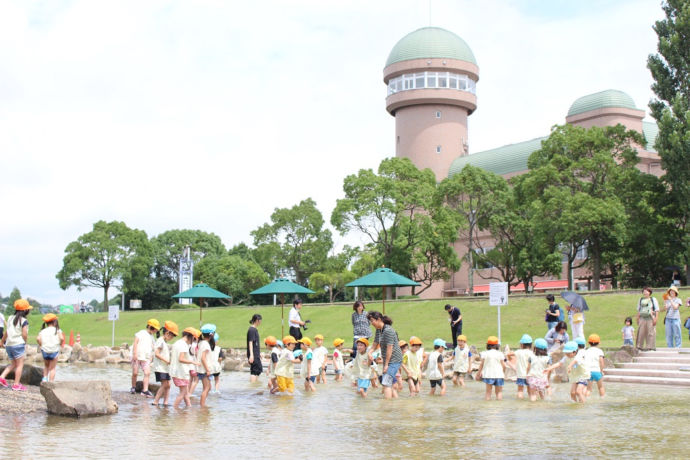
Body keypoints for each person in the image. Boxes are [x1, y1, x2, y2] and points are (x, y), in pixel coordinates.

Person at [367, 311, 403, 400]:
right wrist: (369, 352)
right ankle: (396, 403)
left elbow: (389, 348)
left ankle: (387, 408)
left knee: (386, 382)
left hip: (394, 360)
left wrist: (386, 365)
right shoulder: (379, 330)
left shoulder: (388, 330)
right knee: (389, 383)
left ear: (378, 319)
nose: (371, 323)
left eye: (372, 321)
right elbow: (375, 343)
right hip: (388, 360)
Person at [0, 299, 32, 390]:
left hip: (9, 345)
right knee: (20, 365)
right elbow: (24, 334)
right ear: (25, 310)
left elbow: (7, 332)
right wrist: (25, 342)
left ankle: (2, 377)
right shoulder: (24, 320)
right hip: (18, 344)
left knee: (13, 364)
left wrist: (2, 341)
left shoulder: (10, 318)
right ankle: (16, 384)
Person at [169, 327, 200, 409]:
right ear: (191, 336)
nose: (193, 341)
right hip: (180, 372)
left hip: (176, 371)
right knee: (183, 393)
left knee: (185, 392)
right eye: (194, 339)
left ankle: (188, 407)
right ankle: (174, 408)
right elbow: (181, 359)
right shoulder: (183, 345)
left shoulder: (177, 343)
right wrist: (193, 362)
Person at [131, 318, 160, 397]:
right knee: (135, 373)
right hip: (137, 356)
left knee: (147, 373)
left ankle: (145, 390)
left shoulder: (152, 337)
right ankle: (133, 387)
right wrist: (134, 353)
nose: (155, 331)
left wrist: (151, 357)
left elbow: (153, 347)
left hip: (146, 357)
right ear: (150, 327)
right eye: (155, 329)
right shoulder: (141, 333)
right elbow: (135, 342)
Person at [152, 321, 178, 407]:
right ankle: (155, 401)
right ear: (167, 333)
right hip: (160, 367)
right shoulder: (160, 341)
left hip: (164, 368)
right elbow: (157, 353)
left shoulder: (163, 341)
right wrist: (166, 361)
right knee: (164, 384)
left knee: (168, 385)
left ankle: (165, 402)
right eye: (172, 336)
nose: (172, 338)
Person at [36, 313, 65, 383]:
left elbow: (38, 339)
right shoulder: (57, 330)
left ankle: (44, 380)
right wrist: (60, 344)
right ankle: (51, 382)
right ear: (55, 322)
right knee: (52, 368)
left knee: (46, 366)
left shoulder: (43, 331)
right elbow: (61, 338)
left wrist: (41, 344)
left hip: (45, 351)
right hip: (54, 351)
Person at [476, 336, 506, 401]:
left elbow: (481, 364)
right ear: (497, 345)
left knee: (488, 392)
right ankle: (499, 407)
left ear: (488, 345)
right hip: (499, 375)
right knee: (499, 392)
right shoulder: (500, 354)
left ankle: (488, 408)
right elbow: (504, 365)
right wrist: (503, 373)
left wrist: (478, 373)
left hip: (488, 375)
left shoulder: (485, 353)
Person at [197, 324, 216, 407]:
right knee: (206, 388)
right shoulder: (205, 344)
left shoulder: (201, 343)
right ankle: (202, 405)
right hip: (204, 370)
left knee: (208, 387)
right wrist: (207, 370)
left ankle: (202, 404)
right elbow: (203, 358)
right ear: (211, 335)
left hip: (202, 369)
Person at [636, 287, 659, 351]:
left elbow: (657, 310)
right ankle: (639, 346)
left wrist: (656, 318)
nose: (645, 292)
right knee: (641, 332)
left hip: (651, 317)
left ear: (650, 292)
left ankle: (650, 346)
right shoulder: (640, 299)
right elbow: (639, 309)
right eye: (644, 291)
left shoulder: (653, 299)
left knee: (651, 332)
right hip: (642, 317)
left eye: (647, 291)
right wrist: (637, 318)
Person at [512, 334, 534, 399]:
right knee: (530, 391)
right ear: (531, 345)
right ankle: (531, 400)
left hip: (520, 375)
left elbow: (509, 354)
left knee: (520, 390)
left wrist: (511, 362)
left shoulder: (518, 352)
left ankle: (520, 402)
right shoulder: (531, 353)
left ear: (522, 344)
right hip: (529, 375)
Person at [584, 334, 605, 398]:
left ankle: (586, 399)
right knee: (600, 387)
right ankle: (602, 399)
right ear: (599, 343)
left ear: (588, 343)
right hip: (597, 371)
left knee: (588, 389)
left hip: (589, 372)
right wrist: (601, 371)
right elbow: (601, 361)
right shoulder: (599, 351)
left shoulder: (586, 351)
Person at [246, 314, 263, 382]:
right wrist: (251, 355)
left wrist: (259, 353)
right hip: (253, 354)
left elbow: (256, 343)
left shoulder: (254, 329)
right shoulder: (252, 330)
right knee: (254, 370)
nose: (261, 322)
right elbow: (250, 342)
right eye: (260, 320)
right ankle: (253, 385)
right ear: (257, 321)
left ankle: (255, 384)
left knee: (258, 369)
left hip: (256, 353)